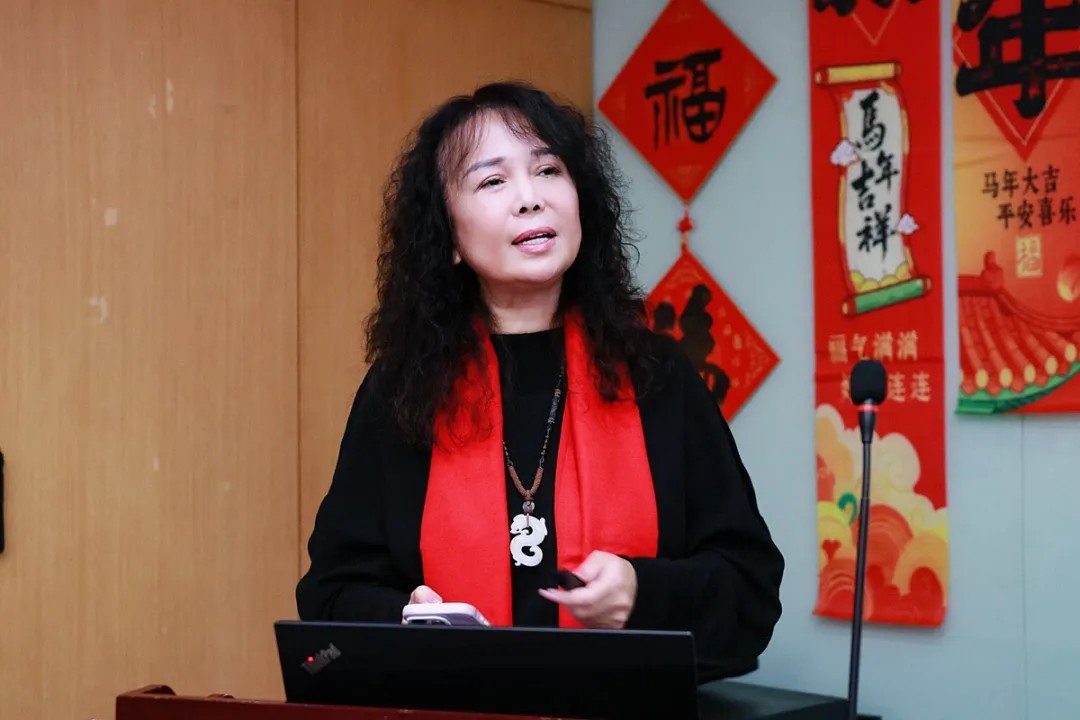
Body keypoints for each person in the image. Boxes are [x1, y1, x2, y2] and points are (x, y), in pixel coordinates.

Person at [296, 81, 784, 681]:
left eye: (548, 170)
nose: (530, 199)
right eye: (492, 181)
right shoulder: (403, 392)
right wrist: (404, 619)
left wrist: (643, 593)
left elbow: (750, 590)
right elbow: (330, 595)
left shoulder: (657, 377)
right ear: (448, 237)